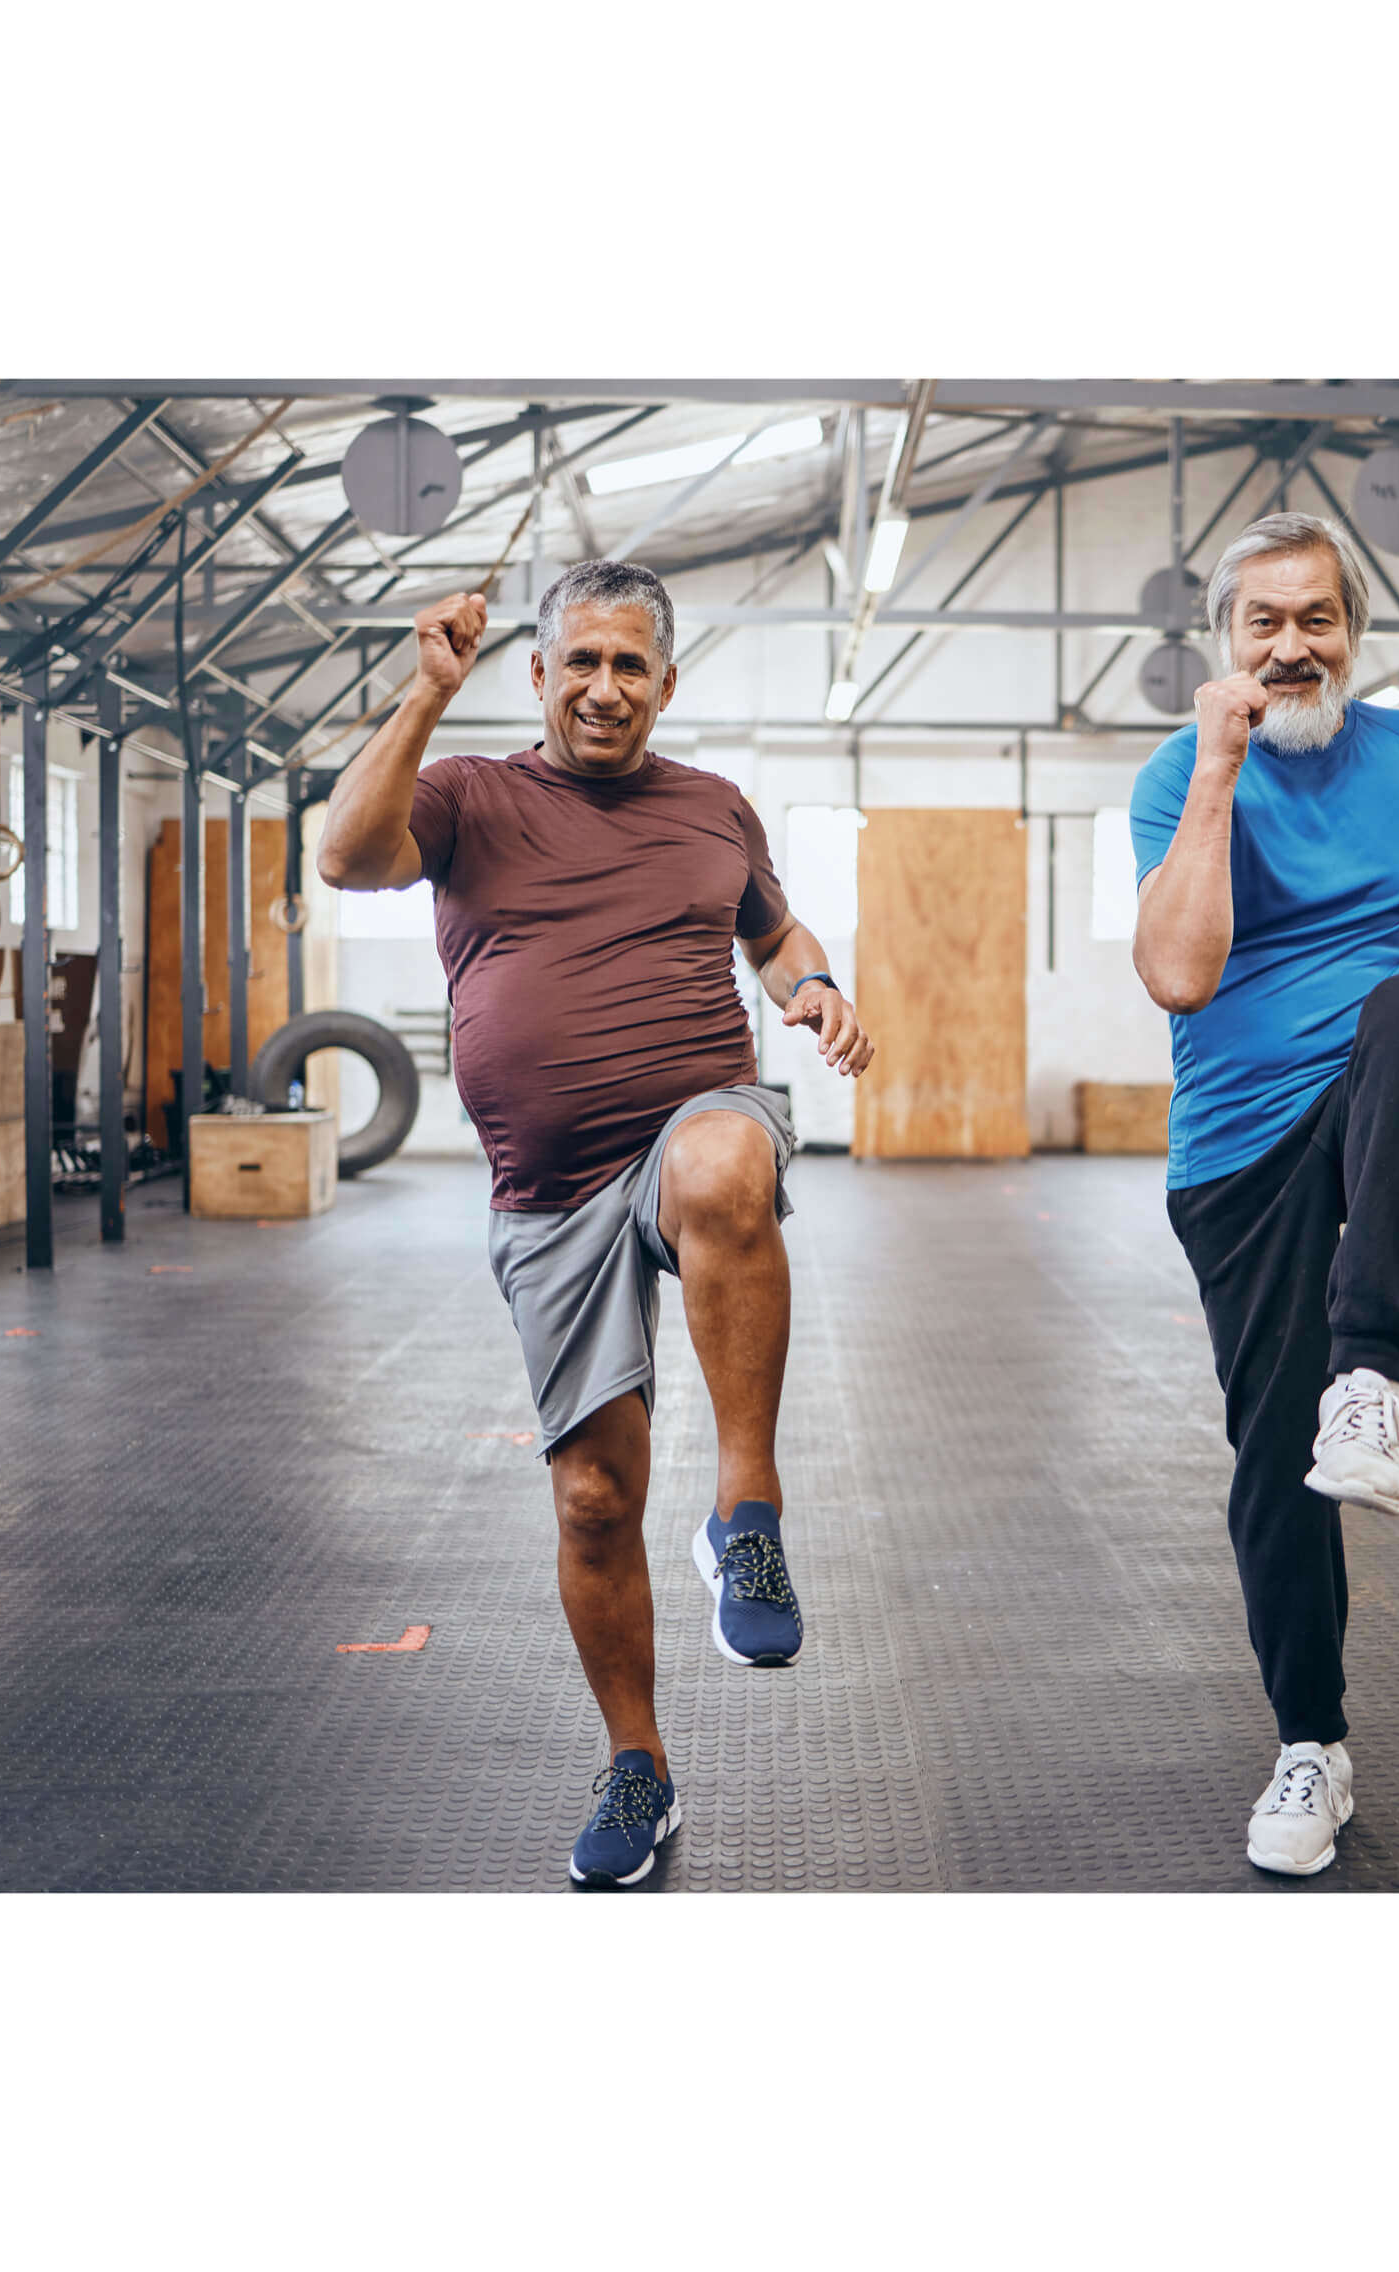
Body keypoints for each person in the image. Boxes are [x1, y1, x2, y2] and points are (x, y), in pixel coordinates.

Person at [316, 559, 873, 1889]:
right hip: (546, 1186)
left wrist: (814, 985)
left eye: (631, 666)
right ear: (540, 673)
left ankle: (747, 1514)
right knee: (589, 1497)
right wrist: (422, 696)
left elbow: (776, 932)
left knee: (728, 1167)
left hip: (692, 1109)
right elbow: (343, 856)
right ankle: (641, 1767)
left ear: (666, 684)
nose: (606, 687)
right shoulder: (469, 795)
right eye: (582, 661)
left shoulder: (715, 810)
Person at [1130, 510, 1399, 1879]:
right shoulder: (1180, 775)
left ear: (1349, 631)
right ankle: (1310, 1742)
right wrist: (1217, 771)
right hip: (1239, 1143)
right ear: (1224, 638)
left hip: (1384, 1090)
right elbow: (1176, 977)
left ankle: (1371, 1379)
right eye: (1264, 623)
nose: (1292, 646)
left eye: (1316, 620)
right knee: (1270, 1469)